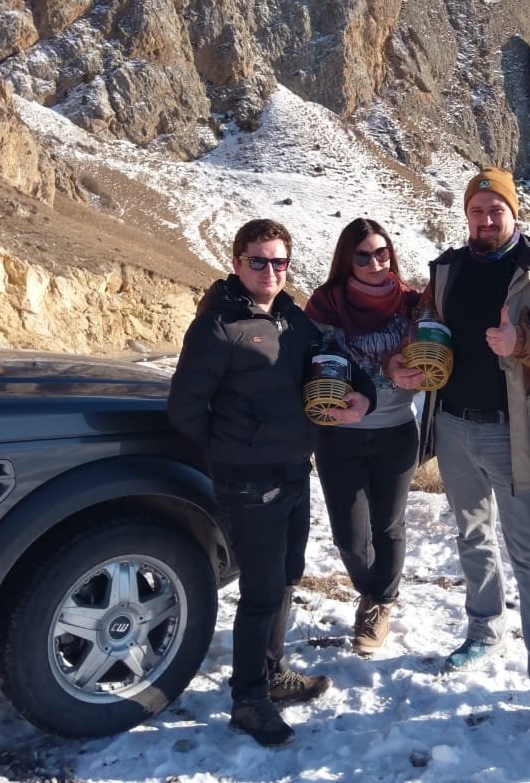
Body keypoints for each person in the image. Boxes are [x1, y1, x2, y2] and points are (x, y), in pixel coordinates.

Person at [389, 168, 530, 750]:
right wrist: (409, 358)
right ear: (466, 215)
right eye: (476, 210)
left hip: (515, 431)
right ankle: (484, 629)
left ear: (513, 213)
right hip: (453, 425)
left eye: (496, 209)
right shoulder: (447, 268)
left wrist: (521, 344)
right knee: (471, 534)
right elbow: (424, 325)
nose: (485, 219)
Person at [168, 219, 375, 749]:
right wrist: (231, 454)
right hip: (248, 479)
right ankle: (248, 700)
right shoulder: (218, 326)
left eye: (279, 261)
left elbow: (332, 360)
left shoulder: (290, 317)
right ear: (237, 263)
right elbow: (185, 409)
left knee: (286, 577)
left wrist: (364, 394)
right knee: (261, 592)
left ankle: (272, 673)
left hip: (292, 469)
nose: (269, 271)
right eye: (258, 261)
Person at [304, 219, 421, 655]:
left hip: (396, 430)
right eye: (363, 256)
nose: (375, 263)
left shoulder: (413, 303)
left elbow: (433, 351)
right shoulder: (325, 304)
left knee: (388, 524)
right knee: (351, 540)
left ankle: (380, 603)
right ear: (346, 260)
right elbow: (312, 359)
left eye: (382, 253)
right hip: (338, 435)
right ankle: (370, 589)